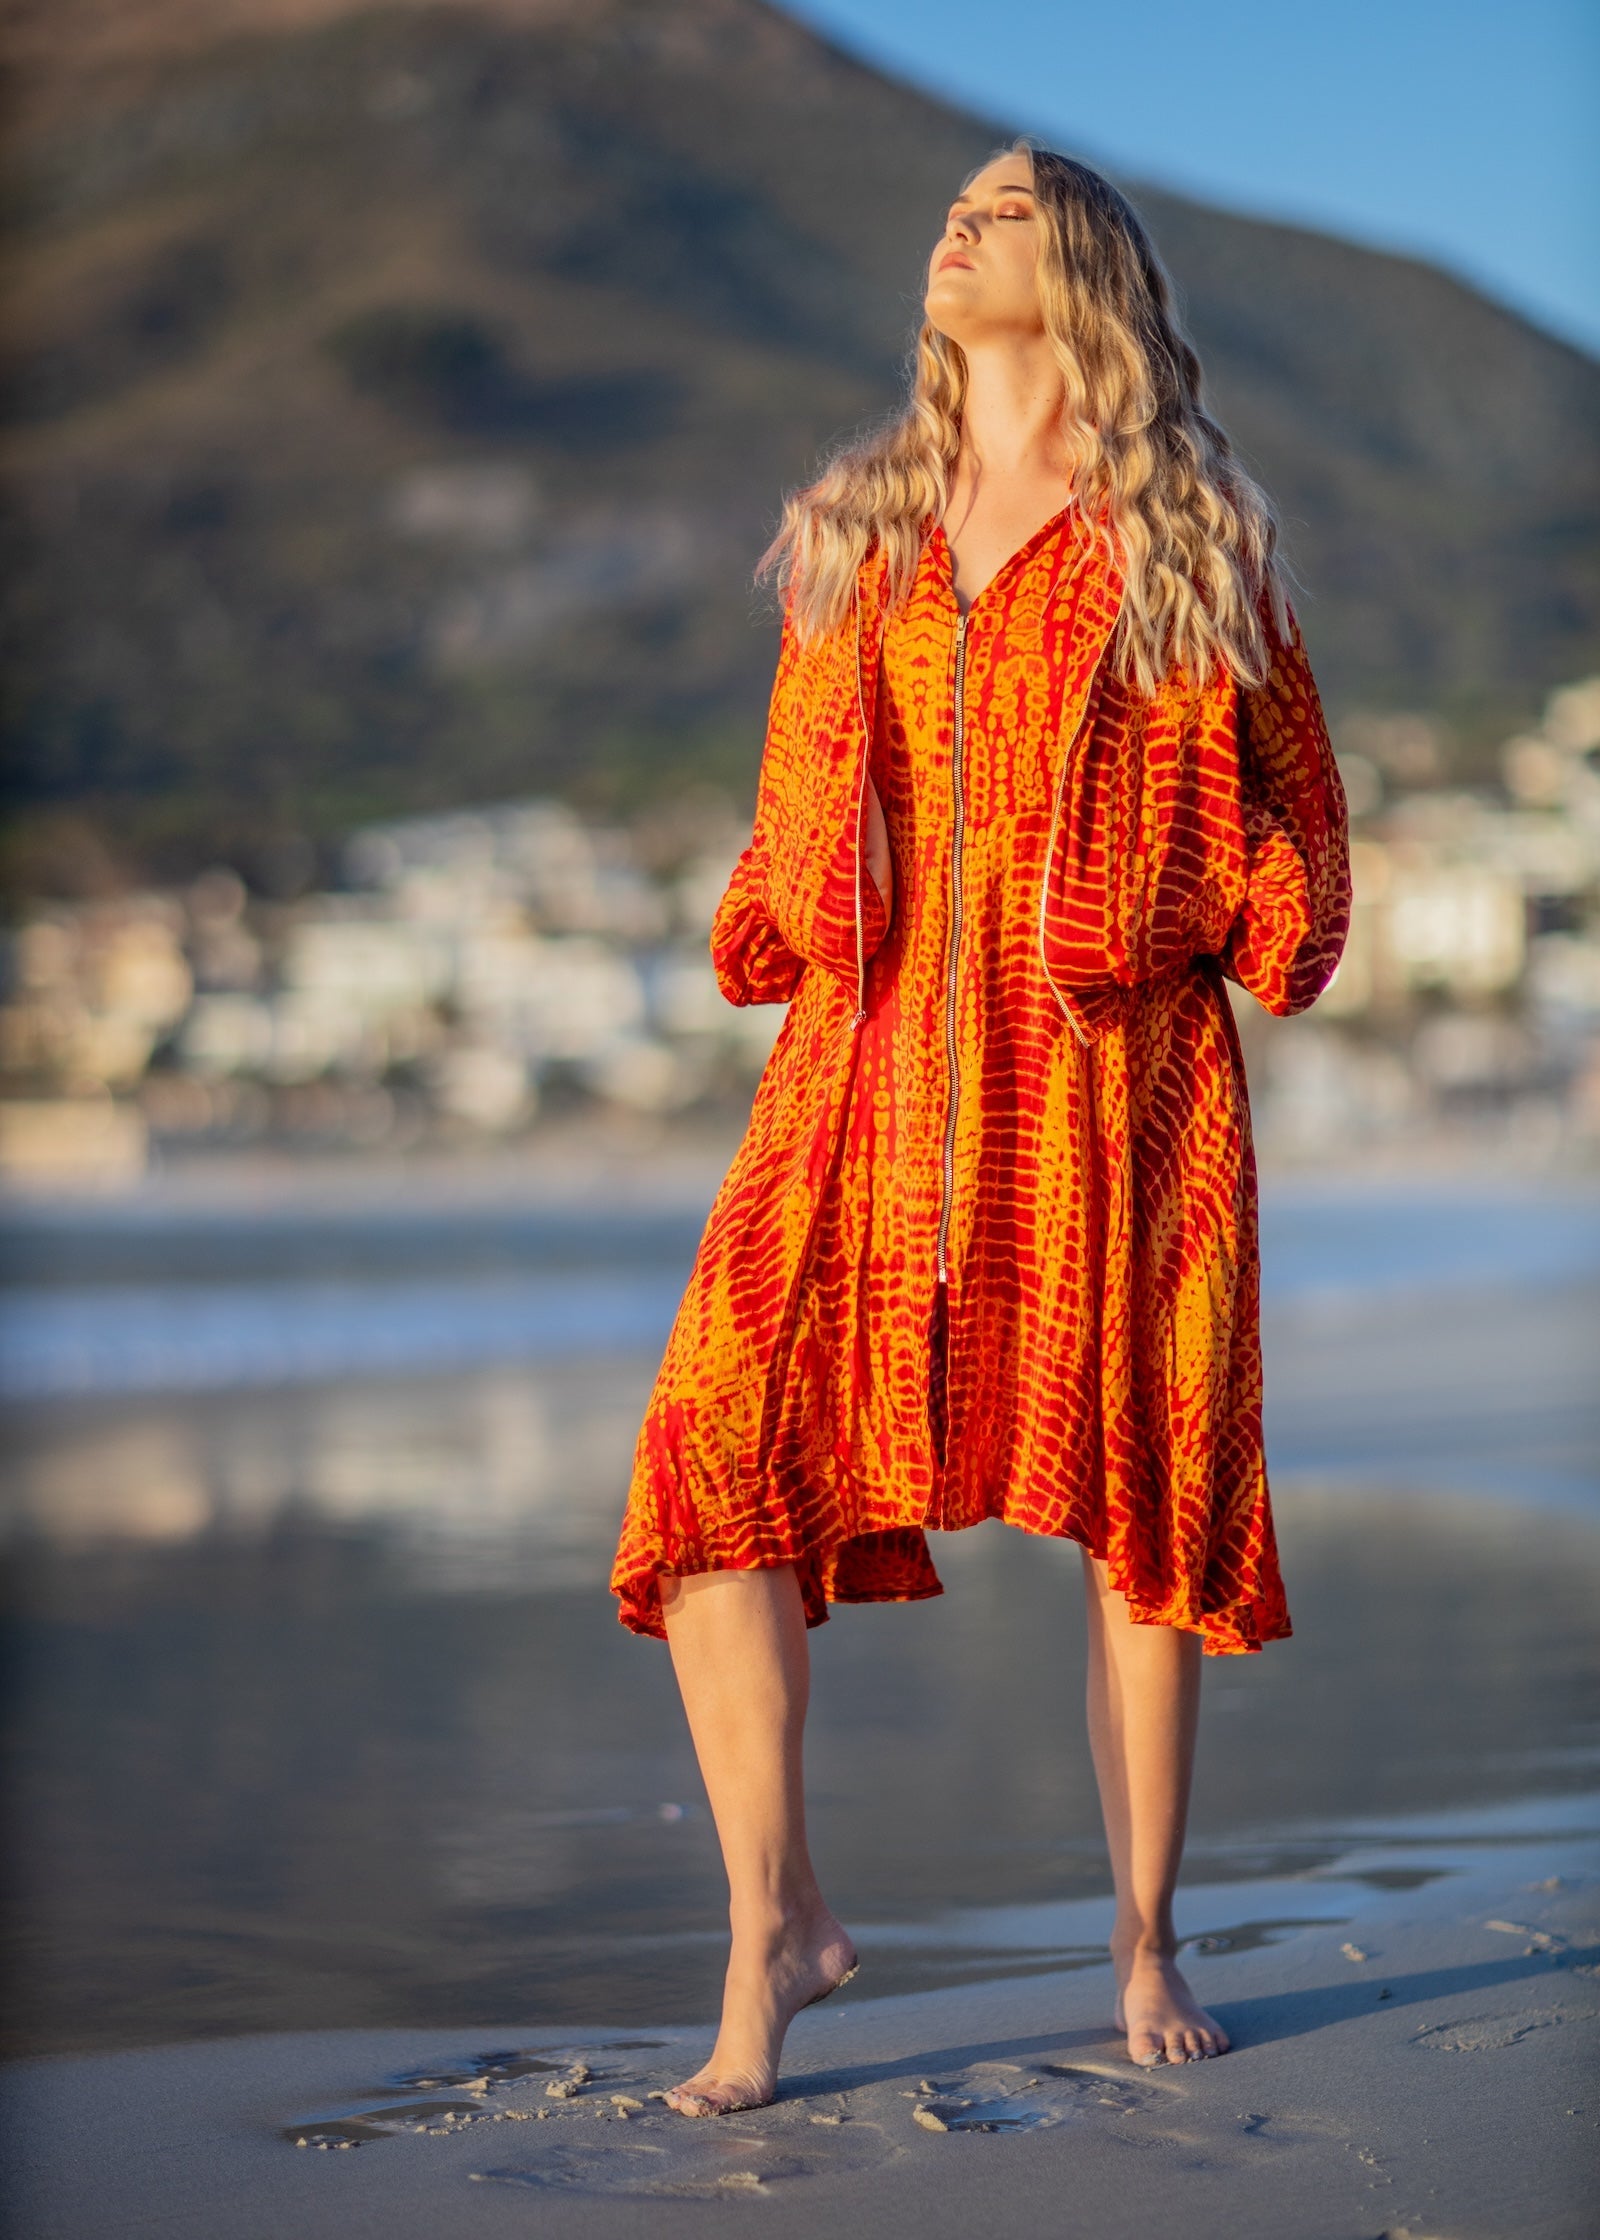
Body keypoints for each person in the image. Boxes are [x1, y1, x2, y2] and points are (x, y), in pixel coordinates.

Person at [609, 140, 1351, 2117]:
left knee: (1134, 1517)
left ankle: (1141, 1934)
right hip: (860, 1085)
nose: (953, 228)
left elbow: (1302, 846)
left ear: (1085, 264)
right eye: (942, 209)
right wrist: (794, 898)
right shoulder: (851, 531)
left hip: (1112, 1086)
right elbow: (782, 829)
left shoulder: (1192, 539)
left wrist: (1173, 894)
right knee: (707, 1462)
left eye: (998, 209)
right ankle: (772, 1924)